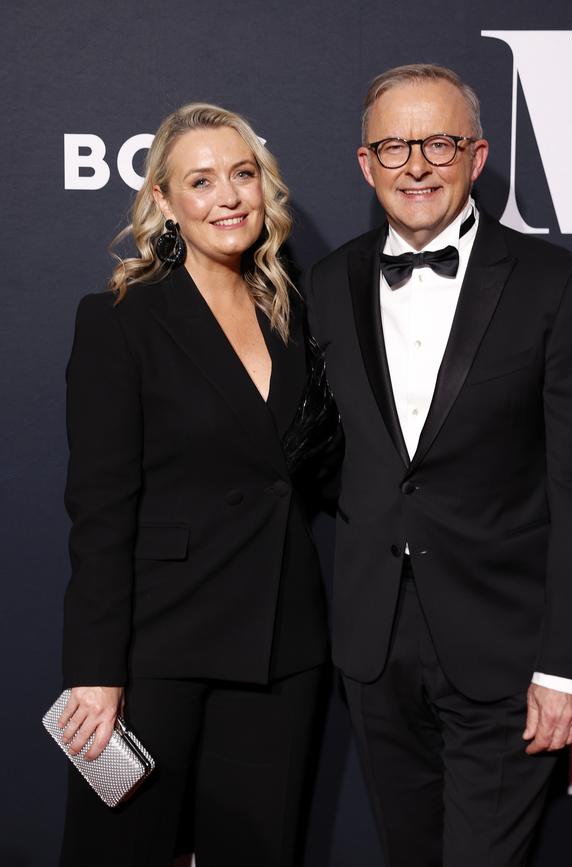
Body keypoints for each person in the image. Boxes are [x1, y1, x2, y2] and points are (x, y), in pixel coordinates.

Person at [306, 64, 572, 867]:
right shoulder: (328, 283)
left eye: (438, 143)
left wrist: (569, 669)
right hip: (374, 652)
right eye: (394, 146)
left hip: (509, 654)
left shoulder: (558, 285)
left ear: (476, 158)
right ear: (364, 163)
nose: (417, 165)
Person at [57, 102, 331, 867]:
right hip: (155, 649)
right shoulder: (119, 320)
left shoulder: (295, 314)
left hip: (282, 648)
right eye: (201, 181)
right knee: (119, 852)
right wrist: (95, 670)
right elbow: (100, 510)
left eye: (243, 174)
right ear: (166, 204)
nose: (229, 196)